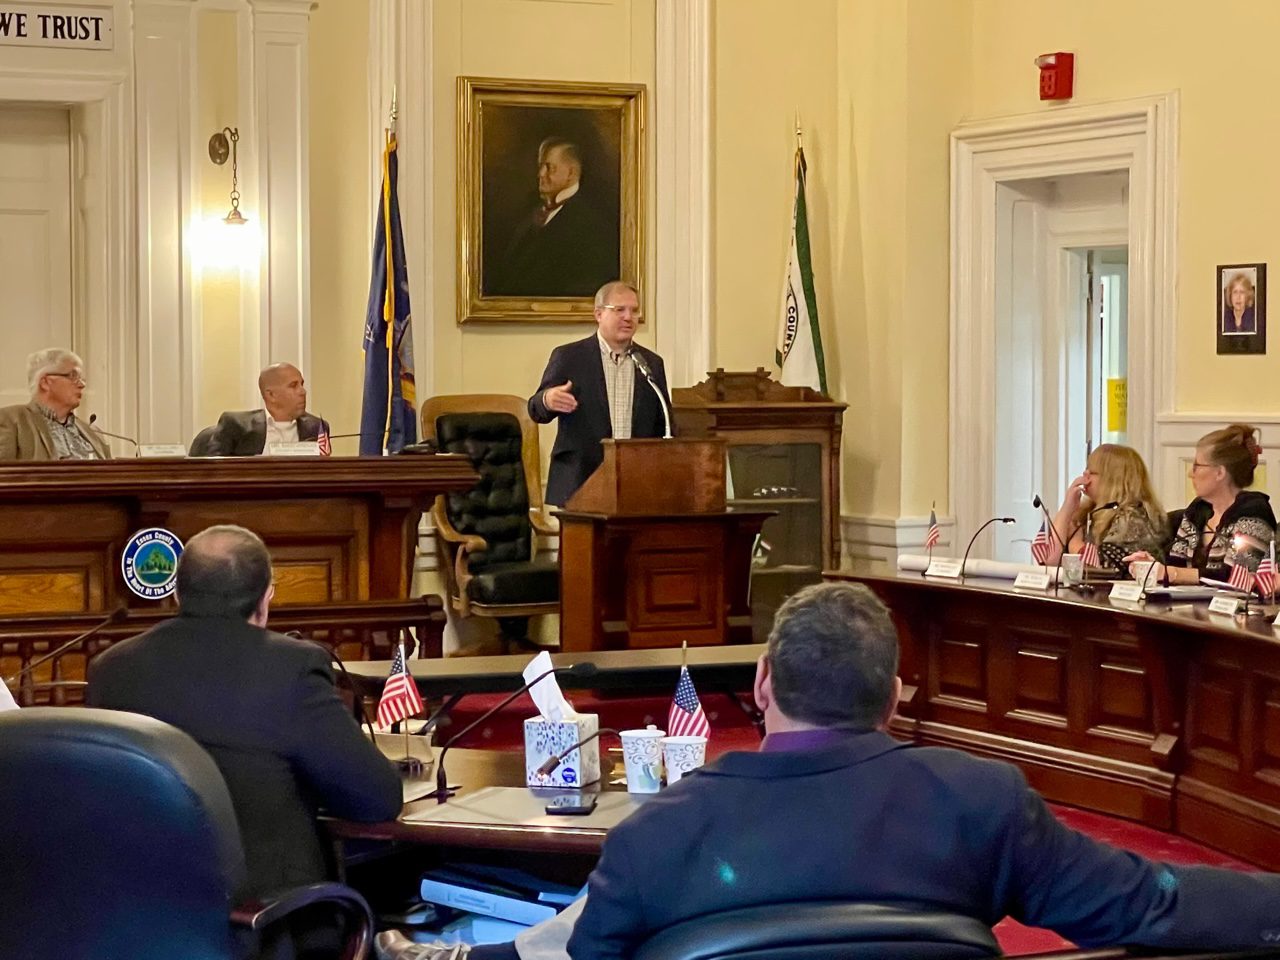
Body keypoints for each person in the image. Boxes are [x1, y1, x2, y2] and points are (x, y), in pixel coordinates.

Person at [377, 582, 1280, 960]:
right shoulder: (977, 803)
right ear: (893, 695)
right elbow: (1152, 904)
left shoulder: (659, 832)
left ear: (763, 684)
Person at [87, 525, 403, 899]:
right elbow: (376, 799)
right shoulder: (291, 666)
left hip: (142, 922)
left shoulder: (111, 669)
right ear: (265, 599)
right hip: (262, 927)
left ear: (176, 593)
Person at [528, 281, 671, 506]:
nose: (628, 317)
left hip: (637, 484)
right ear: (598, 314)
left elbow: (664, 425)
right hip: (581, 481)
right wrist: (547, 399)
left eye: (634, 311)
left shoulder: (651, 363)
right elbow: (536, 411)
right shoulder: (570, 357)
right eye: (620, 310)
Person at [1127, 423, 1276, 584]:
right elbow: (1176, 563)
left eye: (1197, 466)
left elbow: (1236, 578)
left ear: (1220, 472)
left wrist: (1170, 573)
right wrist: (1150, 564)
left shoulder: (1254, 513)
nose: (1190, 473)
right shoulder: (1197, 511)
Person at [488, 137, 616, 298]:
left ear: (571, 173)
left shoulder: (590, 223)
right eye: (541, 166)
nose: (540, 174)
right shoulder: (530, 214)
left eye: (550, 168)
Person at [1045, 443, 1166, 570]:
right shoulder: (1087, 511)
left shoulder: (1134, 516)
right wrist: (1066, 509)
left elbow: (1101, 564)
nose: (1085, 474)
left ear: (1114, 479)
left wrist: (1074, 542)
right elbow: (1048, 558)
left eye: (1092, 472)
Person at [0, 348, 110, 461]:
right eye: (73, 376)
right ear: (45, 383)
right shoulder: (11, 421)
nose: (82, 385)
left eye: (81, 378)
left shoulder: (92, 432)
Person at [203, 362, 331, 455]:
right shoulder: (236, 425)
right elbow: (215, 471)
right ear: (271, 395)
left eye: (301, 384)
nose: (303, 391)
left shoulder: (316, 427)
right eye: (293, 386)